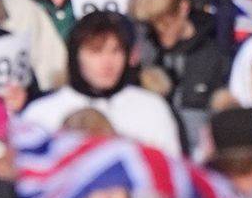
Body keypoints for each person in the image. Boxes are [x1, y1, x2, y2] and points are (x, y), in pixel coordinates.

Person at [20, 11, 182, 155]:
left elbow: (170, 174)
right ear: (76, 55)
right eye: (95, 51)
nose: (107, 62)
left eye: (115, 51)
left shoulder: (151, 108)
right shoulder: (41, 114)